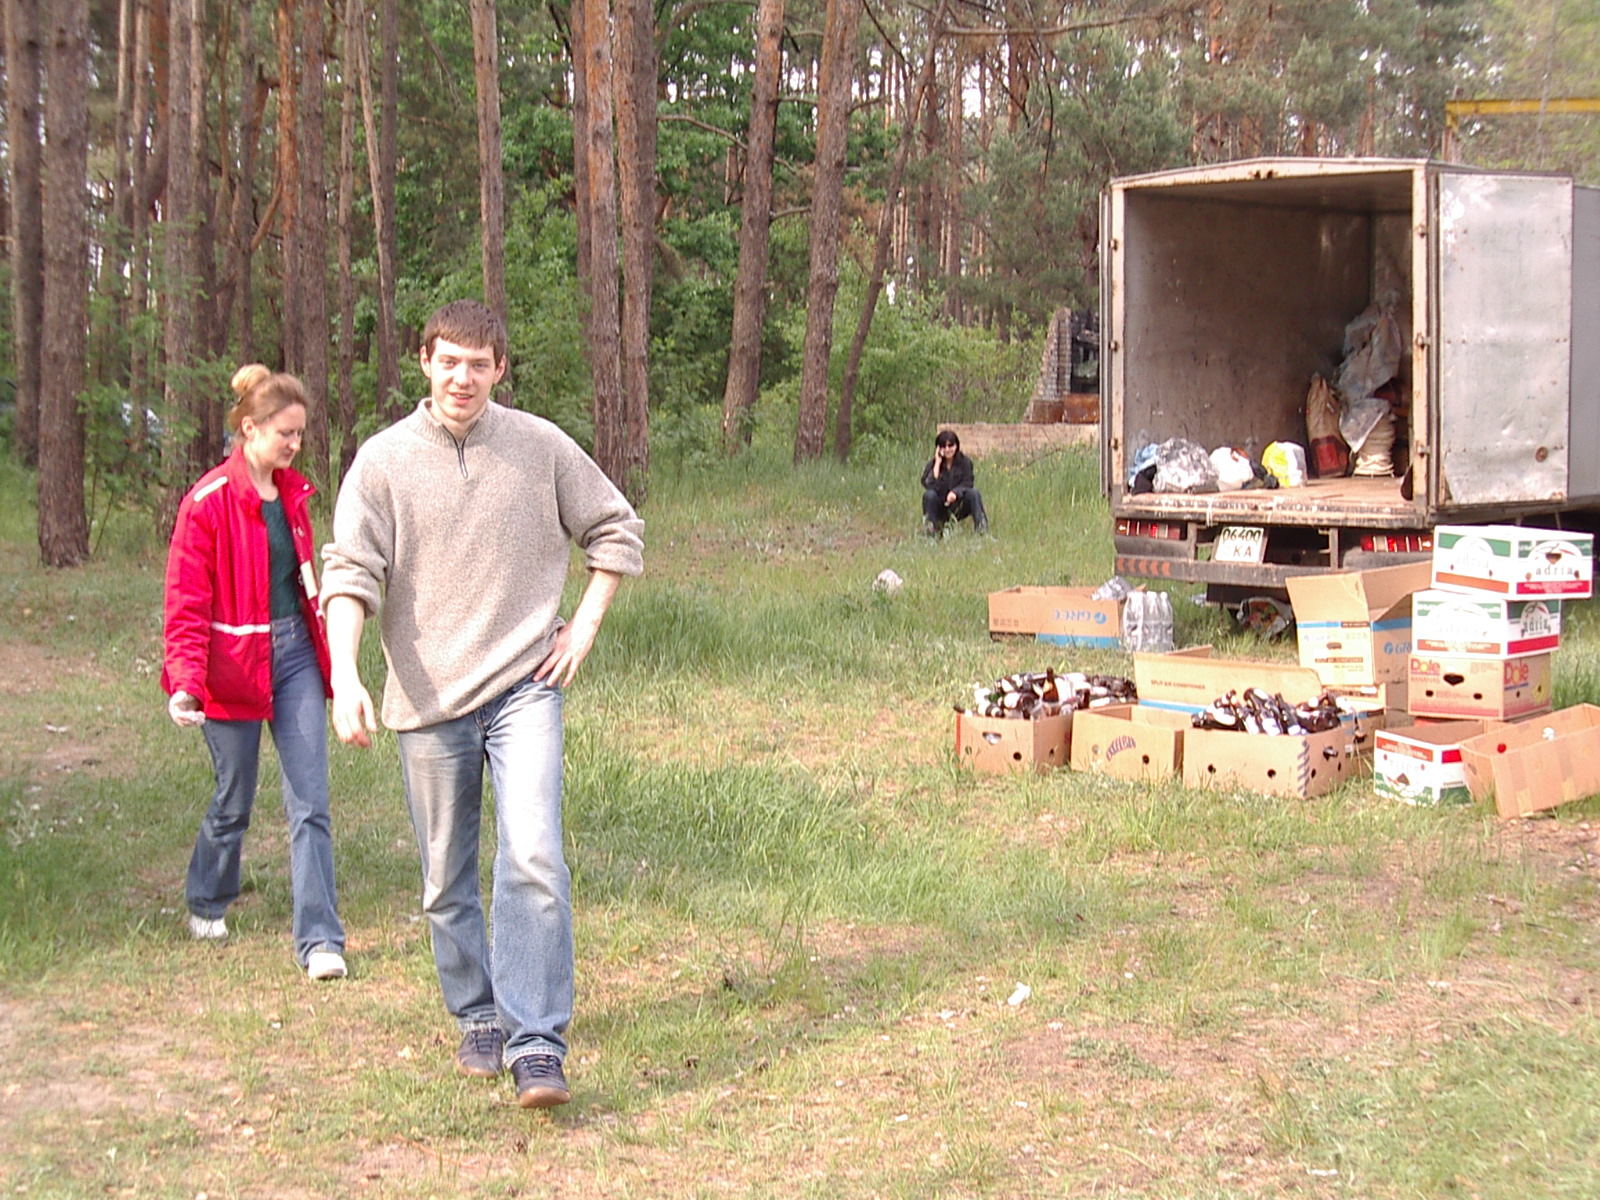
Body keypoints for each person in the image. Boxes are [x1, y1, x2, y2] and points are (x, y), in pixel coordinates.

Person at [320, 300, 644, 1110]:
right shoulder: (382, 462)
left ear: (500, 369)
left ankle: (537, 1043)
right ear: (423, 361)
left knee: (533, 857)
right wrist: (346, 675)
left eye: (478, 363)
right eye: (448, 361)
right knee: (445, 879)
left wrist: (585, 626)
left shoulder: (540, 447)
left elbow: (615, 527)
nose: (461, 378)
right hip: (428, 699)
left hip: (525, 687)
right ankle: (478, 1016)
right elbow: (350, 572)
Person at [161, 365, 348, 982]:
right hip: (231, 668)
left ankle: (320, 939)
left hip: (294, 658)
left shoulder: (294, 496)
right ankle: (208, 897)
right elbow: (186, 603)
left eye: (300, 433)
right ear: (249, 429)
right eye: (284, 433)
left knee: (310, 800)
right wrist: (186, 681)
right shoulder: (207, 502)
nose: (295, 444)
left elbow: (304, 581)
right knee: (234, 798)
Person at [921, 429, 988, 535]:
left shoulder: (965, 462)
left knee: (974, 493)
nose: (947, 449)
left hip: (958, 505)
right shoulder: (933, 464)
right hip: (940, 505)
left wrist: (955, 493)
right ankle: (930, 532)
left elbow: (968, 482)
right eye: (943, 446)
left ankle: (982, 530)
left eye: (950, 446)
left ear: (956, 446)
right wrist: (937, 463)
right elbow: (928, 484)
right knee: (929, 495)